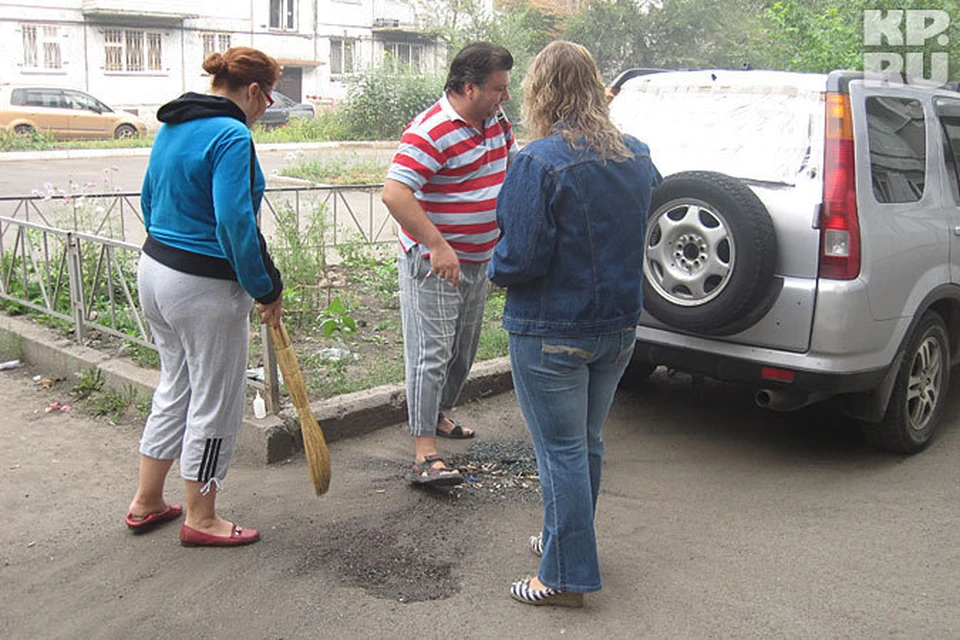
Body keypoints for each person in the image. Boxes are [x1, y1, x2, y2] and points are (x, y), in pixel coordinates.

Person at [488, 41, 662, 606]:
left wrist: (489, 262)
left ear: (542, 92)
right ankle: (566, 542)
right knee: (584, 444)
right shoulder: (637, 155)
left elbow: (520, 259)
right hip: (617, 329)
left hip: (551, 331)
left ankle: (562, 577)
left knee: (560, 450)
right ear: (595, 86)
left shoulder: (537, 160)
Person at [124, 47, 283, 547]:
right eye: (268, 97)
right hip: (203, 288)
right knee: (216, 399)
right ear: (253, 91)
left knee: (178, 386)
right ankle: (202, 516)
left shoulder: (173, 124)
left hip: (156, 270)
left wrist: (174, 250)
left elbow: (149, 198)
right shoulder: (232, 134)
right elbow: (234, 223)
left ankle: (148, 501)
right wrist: (265, 286)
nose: (266, 108)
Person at [382, 42, 517, 487]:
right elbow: (395, 193)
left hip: (478, 259)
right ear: (468, 86)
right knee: (431, 354)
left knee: (462, 351)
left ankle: (438, 414)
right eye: (498, 88)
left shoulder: (496, 122)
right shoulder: (431, 130)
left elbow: (508, 172)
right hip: (433, 262)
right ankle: (424, 454)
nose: (506, 97)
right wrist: (437, 245)